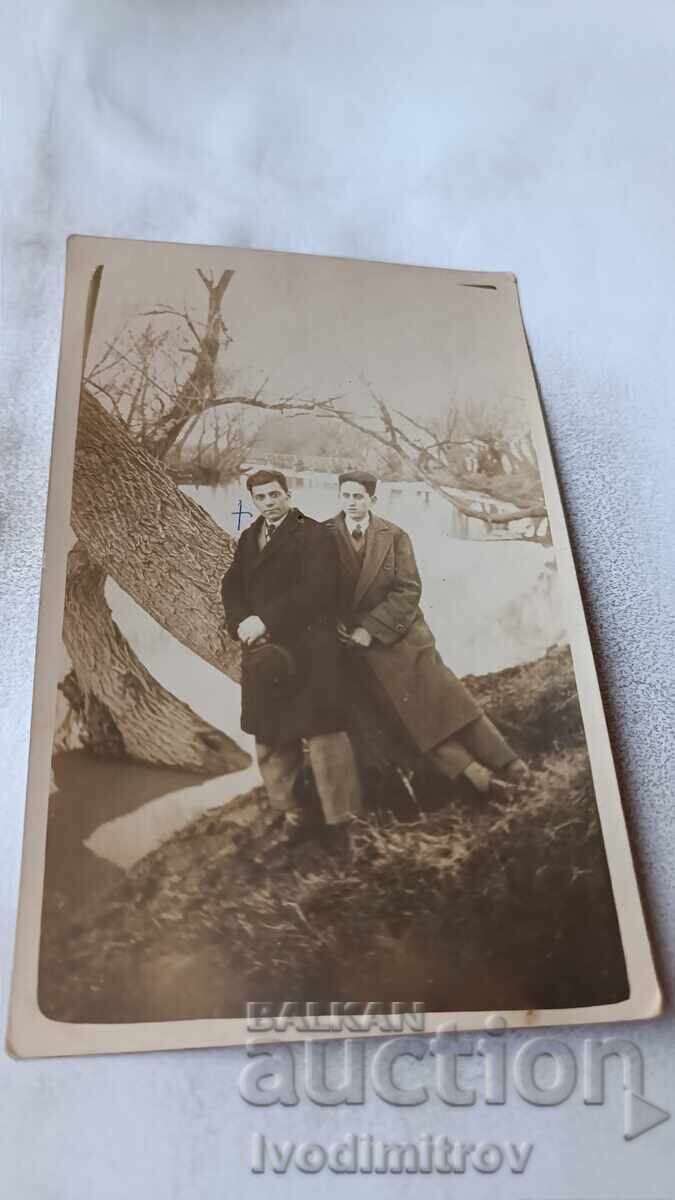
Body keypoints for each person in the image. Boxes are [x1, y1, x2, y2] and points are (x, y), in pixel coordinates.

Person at [324, 470, 529, 800]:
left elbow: (408, 589)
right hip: (358, 649)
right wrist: (341, 628)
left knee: (451, 702)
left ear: (372, 500)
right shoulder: (322, 536)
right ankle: (481, 778)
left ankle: (513, 766)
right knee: (410, 718)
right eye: (345, 496)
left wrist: (370, 629)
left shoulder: (394, 536)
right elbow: (315, 591)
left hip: (403, 635)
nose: (351, 503)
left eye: (358, 497)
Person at [221, 469, 362, 853]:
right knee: (269, 734)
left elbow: (317, 591)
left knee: (324, 736)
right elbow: (231, 585)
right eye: (260, 497)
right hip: (266, 654)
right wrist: (241, 623)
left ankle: (343, 824)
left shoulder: (314, 534)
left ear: (288, 493)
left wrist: (266, 619)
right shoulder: (250, 537)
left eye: (274, 495)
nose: (268, 502)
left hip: (311, 651)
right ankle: (293, 816)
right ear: (253, 501)